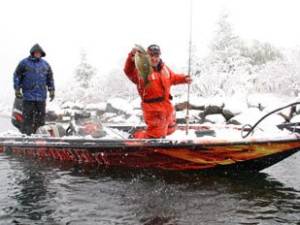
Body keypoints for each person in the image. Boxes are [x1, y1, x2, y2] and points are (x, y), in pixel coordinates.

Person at [124, 44, 192, 138]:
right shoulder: (141, 70)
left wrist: (184, 79)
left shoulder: (164, 68)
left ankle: (166, 146)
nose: (154, 59)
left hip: (167, 107)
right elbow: (128, 70)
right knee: (156, 134)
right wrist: (131, 55)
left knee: (170, 129)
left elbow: (173, 78)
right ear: (147, 56)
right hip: (153, 109)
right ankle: (135, 137)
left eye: (156, 56)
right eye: (151, 56)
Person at [13, 43, 55, 135]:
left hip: (41, 97)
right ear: (32, 53)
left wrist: (51, 90)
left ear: (41, 54)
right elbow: (17, 75)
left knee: (40, 120)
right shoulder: (24, 63)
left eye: (39, 53)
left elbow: (50, 78)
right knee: (27, 119)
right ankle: (27, 137)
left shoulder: (45, 65)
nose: (37, 54)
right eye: (36, 52)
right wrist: (17, 89)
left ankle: (40, 137)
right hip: (28, 97)